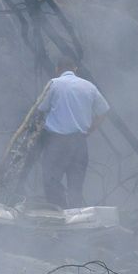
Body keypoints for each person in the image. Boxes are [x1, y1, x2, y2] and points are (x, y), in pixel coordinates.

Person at [38, 58, 110, 208]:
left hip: (56, 142)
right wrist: (90, 130)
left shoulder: (54, 83)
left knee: (51, 180)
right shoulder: (89, 86)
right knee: (76, 185)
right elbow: (103, 111)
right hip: (79, 142)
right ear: (75, 68)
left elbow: (41, 108)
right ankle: (75, 219)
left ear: (58, 69)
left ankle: (59, 215)